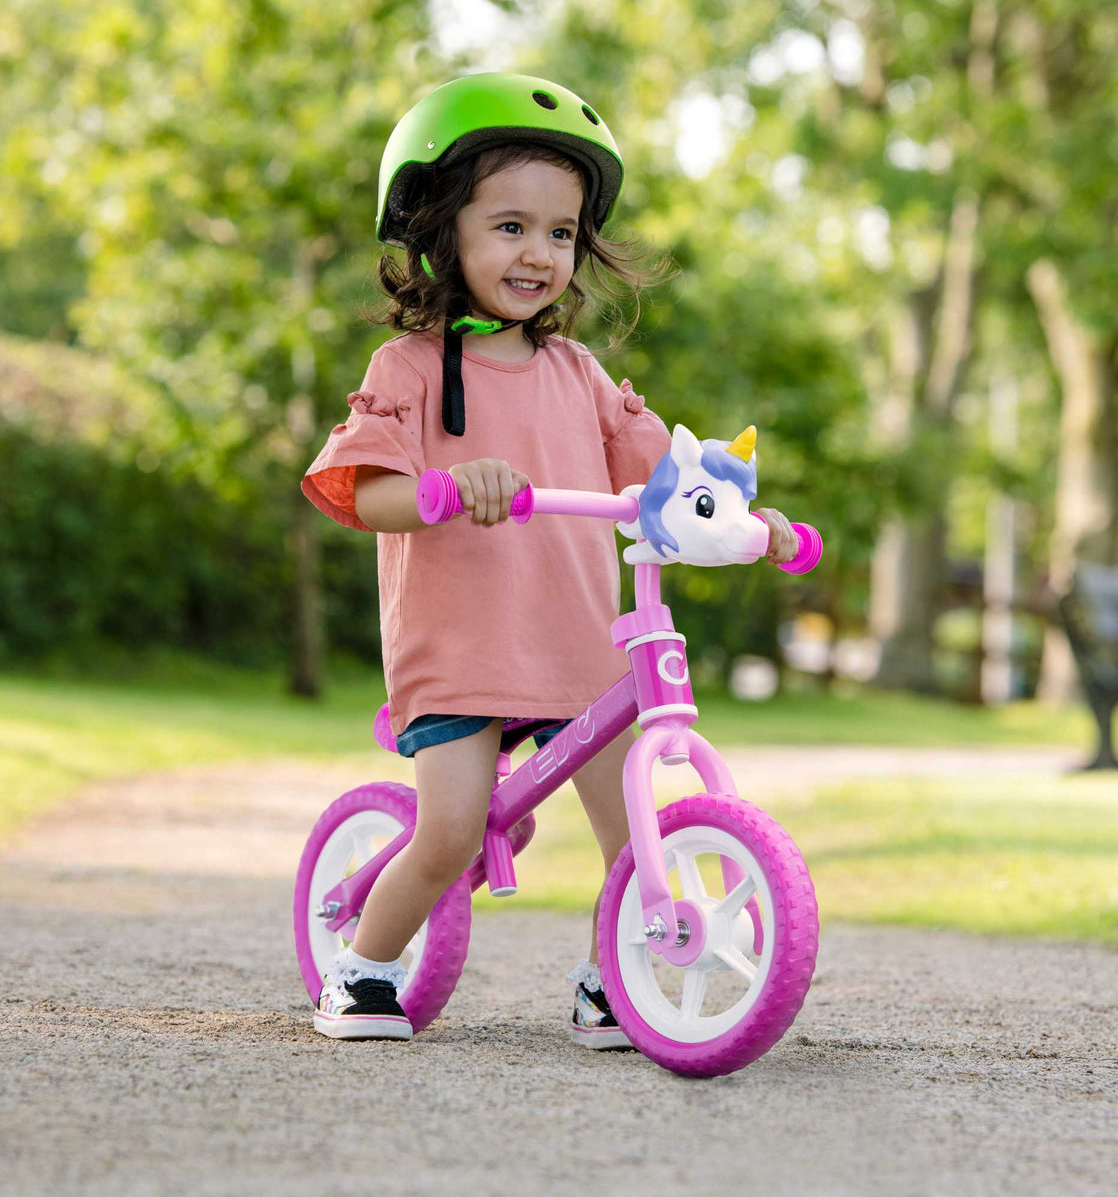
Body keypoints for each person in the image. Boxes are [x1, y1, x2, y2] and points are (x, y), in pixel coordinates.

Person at [301, 73, 798, 1044]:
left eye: (561, 234)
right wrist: (447, 486)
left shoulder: (583, 375)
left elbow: (671, 481)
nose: (539, 254)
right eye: (511, 227)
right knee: (448, 832)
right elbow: (364, 492)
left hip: (578, 643)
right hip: (460, 647)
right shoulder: (407, 368)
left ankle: (612, 977)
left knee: (630, 825)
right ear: (443, 231)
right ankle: (359, 964)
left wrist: (743, 516)